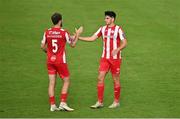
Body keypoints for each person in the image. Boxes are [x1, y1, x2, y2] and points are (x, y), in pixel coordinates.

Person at [79, 11, 127, 109]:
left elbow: (125, 42)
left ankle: (116, 101)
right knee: (100, 78)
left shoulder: (118, 29)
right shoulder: (102, 29)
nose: (105, 20)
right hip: (105, 58)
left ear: (112, 19)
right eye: (105, 18)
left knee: (115, 79)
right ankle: (100, 102)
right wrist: (78, 37)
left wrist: (118, 49)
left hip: (115, 59)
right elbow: (92, 38)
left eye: (107, 18)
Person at [41, 12, 83, 111]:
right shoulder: (64, 32)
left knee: (51, 83)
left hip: (50, 61)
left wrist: (49, 53)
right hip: (60, 61)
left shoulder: (47, 32)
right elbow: (72, 44)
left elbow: (42, 46)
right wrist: (78, 35)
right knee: (66, 80)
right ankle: (63, 103)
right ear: (60, 21)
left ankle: (52, 105)